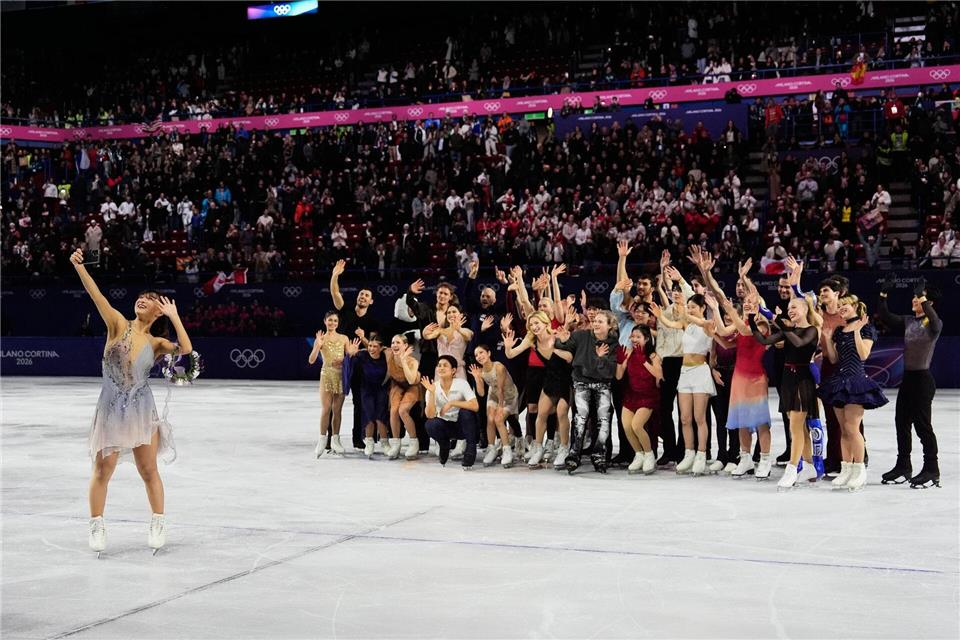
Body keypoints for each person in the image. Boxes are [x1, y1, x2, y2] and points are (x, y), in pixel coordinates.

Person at [71, 248, 192, 556]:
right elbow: (96, 295)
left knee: (148, 469)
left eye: (150, 299)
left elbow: (186, 350)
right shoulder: (117, 323)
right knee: (103, 469)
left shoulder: (157, 343)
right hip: (111, 408)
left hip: (141, 410)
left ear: (158, 312)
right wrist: (80, 267)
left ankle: (158, 521)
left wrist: (175, 316)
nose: (143, 300)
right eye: (141, 297)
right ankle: (96, 525)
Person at [877, 279, 942, 488]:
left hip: (923, 380)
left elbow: (935, 321)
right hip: (908, 380)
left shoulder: (934, 323)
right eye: (915, 296)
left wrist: (923, 298)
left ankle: (932, 469)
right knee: (902, 423)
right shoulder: (908, 321)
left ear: (929, 302)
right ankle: (903, 466)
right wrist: (883, 295)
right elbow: (885, 316)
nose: (914, 299)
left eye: (919, 297)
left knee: (923, 426)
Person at [819, 295, 888, 491]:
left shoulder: (866, 328)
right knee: (843, 428)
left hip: (856, 382)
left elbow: (864, 354)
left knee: (852, 428)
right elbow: (834, 359)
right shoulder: (839, 331)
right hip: (839, 381)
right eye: (840, 305)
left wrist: (857, 331)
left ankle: (859, 470)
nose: (841, 308)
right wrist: (827, 339)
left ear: (856, 307)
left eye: (845, 305)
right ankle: (846, 469)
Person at [708, 293, 776, 479]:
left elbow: (746, 332)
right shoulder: (741, 324)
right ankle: (745, 458)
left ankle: (765, 459)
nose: (747, 304)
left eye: (752, 303)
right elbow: (724, 337)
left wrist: (730, 310)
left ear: (759, 306)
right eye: (746, 302)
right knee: (741, 420)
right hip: (739, 378)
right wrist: (715, 310)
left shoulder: (762, 325)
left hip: (756, 378)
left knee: (761, 421)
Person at [651, 292, 716, 476]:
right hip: (685, 373)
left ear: (703, 308)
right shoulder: (687, 324)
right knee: (685, 418)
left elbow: (701, 323)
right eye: (689, 307)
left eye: (693, 307)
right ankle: (689, 453)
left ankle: (701, 455)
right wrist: (660, 316)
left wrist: (685, 312)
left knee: (699, 418)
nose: (690, 310)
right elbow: (672, 324)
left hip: (700, 372)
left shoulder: (708, 324)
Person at [503, 311, 572, 469]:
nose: (534, 327)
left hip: (566, 380)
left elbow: (569, 357)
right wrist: (507, 347)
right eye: (531, 324)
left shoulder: (556, 335)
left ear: (546, 323)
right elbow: (511, 354)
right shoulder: (531, 340)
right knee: (541, 414)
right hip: (550, 380)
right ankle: (538, 448)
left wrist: (554, 350)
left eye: (537, 323)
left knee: (561, 412)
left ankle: (563, 448)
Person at [554, 310, 619, 474]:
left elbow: (609, 372)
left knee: (604, 420)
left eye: (600, 321)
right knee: (580, 419)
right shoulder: (581, 336)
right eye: (595, 320)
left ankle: (599, 455)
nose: (595, 323)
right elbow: (565, 347)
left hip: (602, 384)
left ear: (609, 326)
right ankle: (574, 454)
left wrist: (600, 358)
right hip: (581, 382)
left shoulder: (613, 344)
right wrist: (562, 340)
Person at [330, 259, 380, 450]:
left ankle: (358, 438)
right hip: (341, 361)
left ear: (371, 301)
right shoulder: (346, 311)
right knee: (335, 401)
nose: (363, 297)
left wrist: (363, 338)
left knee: (360, 402)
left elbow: (374, 348)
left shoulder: (372, 322)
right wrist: (335, 275)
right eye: (361, 294)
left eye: (366, 295)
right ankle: (330, 439)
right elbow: (335, 293)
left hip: (361, 363)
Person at [615, 326, 663, 474]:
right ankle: (639, 454)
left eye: (638, 337)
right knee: (627, 427)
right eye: (632, 336)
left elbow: (659, 376)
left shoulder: (653, 356)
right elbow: (618, 376)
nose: (634, 339)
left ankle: (649, 454)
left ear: (646, 339)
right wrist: (619, 363)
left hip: (648, 395)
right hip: (631, 395)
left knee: (636, 425)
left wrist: (644, 362)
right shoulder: (629, 353)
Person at [308, 312, 354, 458]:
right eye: (330, 320)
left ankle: (336, 440)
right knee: (326, 409)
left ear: (338, 323)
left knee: (337, 410)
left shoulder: (344, 338)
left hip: (341, 376)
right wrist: (317, 346)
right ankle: (322, 440)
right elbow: (311, 360)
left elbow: (350, 358)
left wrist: (350, 355)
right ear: (325, 321)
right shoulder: (321, 339)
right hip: (326, 375)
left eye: (335, 320)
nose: (332, 323)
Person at [422, 356, 481, 468]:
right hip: (445, 425)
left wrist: (452, 403)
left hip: (463, 425)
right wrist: (432, 393)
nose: (441, 368)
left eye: (445, 365)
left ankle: (471, 449)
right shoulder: (432, 387)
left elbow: (475, 406)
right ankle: (444, 445)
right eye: (439, 365)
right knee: (430, 424)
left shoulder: (461, 383)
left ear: (453, 370)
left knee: (466, 412)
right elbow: (429, 415)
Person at [469, 344, 519, 467]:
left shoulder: (499, 367)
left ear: (489, 353)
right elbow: (481, 393)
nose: (479, 356)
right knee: (490, 419)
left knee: (498, 419)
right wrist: (477, 378)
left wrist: (500, 407)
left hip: (508, 395)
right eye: (476, 355)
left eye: (481, 352)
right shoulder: (481, 371)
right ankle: (491, 449)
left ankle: (507, 449)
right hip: (493, 394)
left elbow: (501, 389)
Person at [346, 333, 391, 459]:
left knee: (381, 416)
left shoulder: (386, 356)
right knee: (369, 414)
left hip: (381, 389)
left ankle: (385, 443)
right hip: (366, 390)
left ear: (381, 348)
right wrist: (350, 354)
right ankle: (369, 442)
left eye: (375, 346)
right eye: (370, 346)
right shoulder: (362, 355)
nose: (371, 349)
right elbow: (347, 363)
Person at [386, 334, 422, 460]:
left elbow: (411, 380)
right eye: (393, 342)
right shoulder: (388, 354)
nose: (394, 345)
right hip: (397, 385)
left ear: (405, 345)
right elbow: (374, 348)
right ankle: (396, 444)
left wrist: (403, 360)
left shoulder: (413, 361)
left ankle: (414, 442)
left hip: (413, 386)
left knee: (403, 410)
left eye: (398, 342)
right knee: (394, 410)